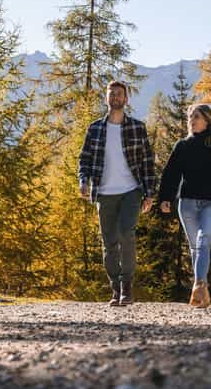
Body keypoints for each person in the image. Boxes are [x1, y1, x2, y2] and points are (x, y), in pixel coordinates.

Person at [78, 81, 156, 307]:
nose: (116, 97)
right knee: (109, 242)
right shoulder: (94, 129)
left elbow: (147, 162)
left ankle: (127, 288)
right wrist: (83, 181)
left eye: (120, 94)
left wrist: (149, 193)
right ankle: (115, 288)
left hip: (131, 191)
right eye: (112, 94)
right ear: (107, 98)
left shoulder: (137, 128)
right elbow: (84, 159)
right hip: (104, 192)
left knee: (126, 234)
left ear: (126, 99)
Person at [157, 104, 211, 308]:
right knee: (196, 246)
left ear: (207, 120)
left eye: (196, 116)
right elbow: (171, 174)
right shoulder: (182, 146)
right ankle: (201, 292)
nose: (192, 120)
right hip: (187, 205)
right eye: (190, 117)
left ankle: (198, 285)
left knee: (203, 242)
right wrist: (165, 198)